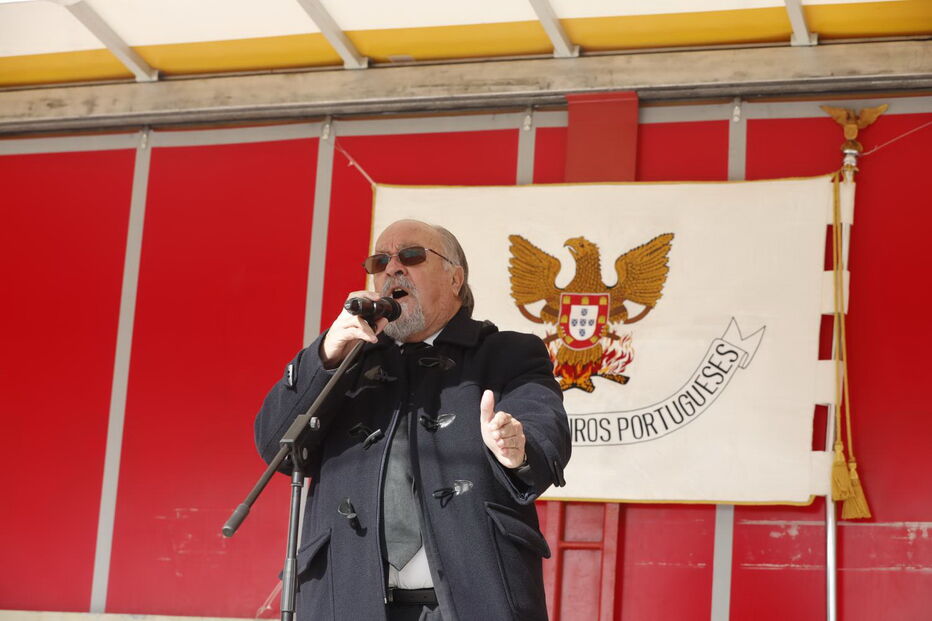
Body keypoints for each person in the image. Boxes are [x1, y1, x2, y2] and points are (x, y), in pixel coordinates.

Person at [254, 219, 571, 621]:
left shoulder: (507, 353)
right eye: (380, 261)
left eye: (411, 256)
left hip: (473, 600)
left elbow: (544, 422)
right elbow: (275, 444)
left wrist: (518, 446)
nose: (392, 268)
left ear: (455, 278)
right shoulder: (347, 359)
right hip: (346, 600)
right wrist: (326, 355)